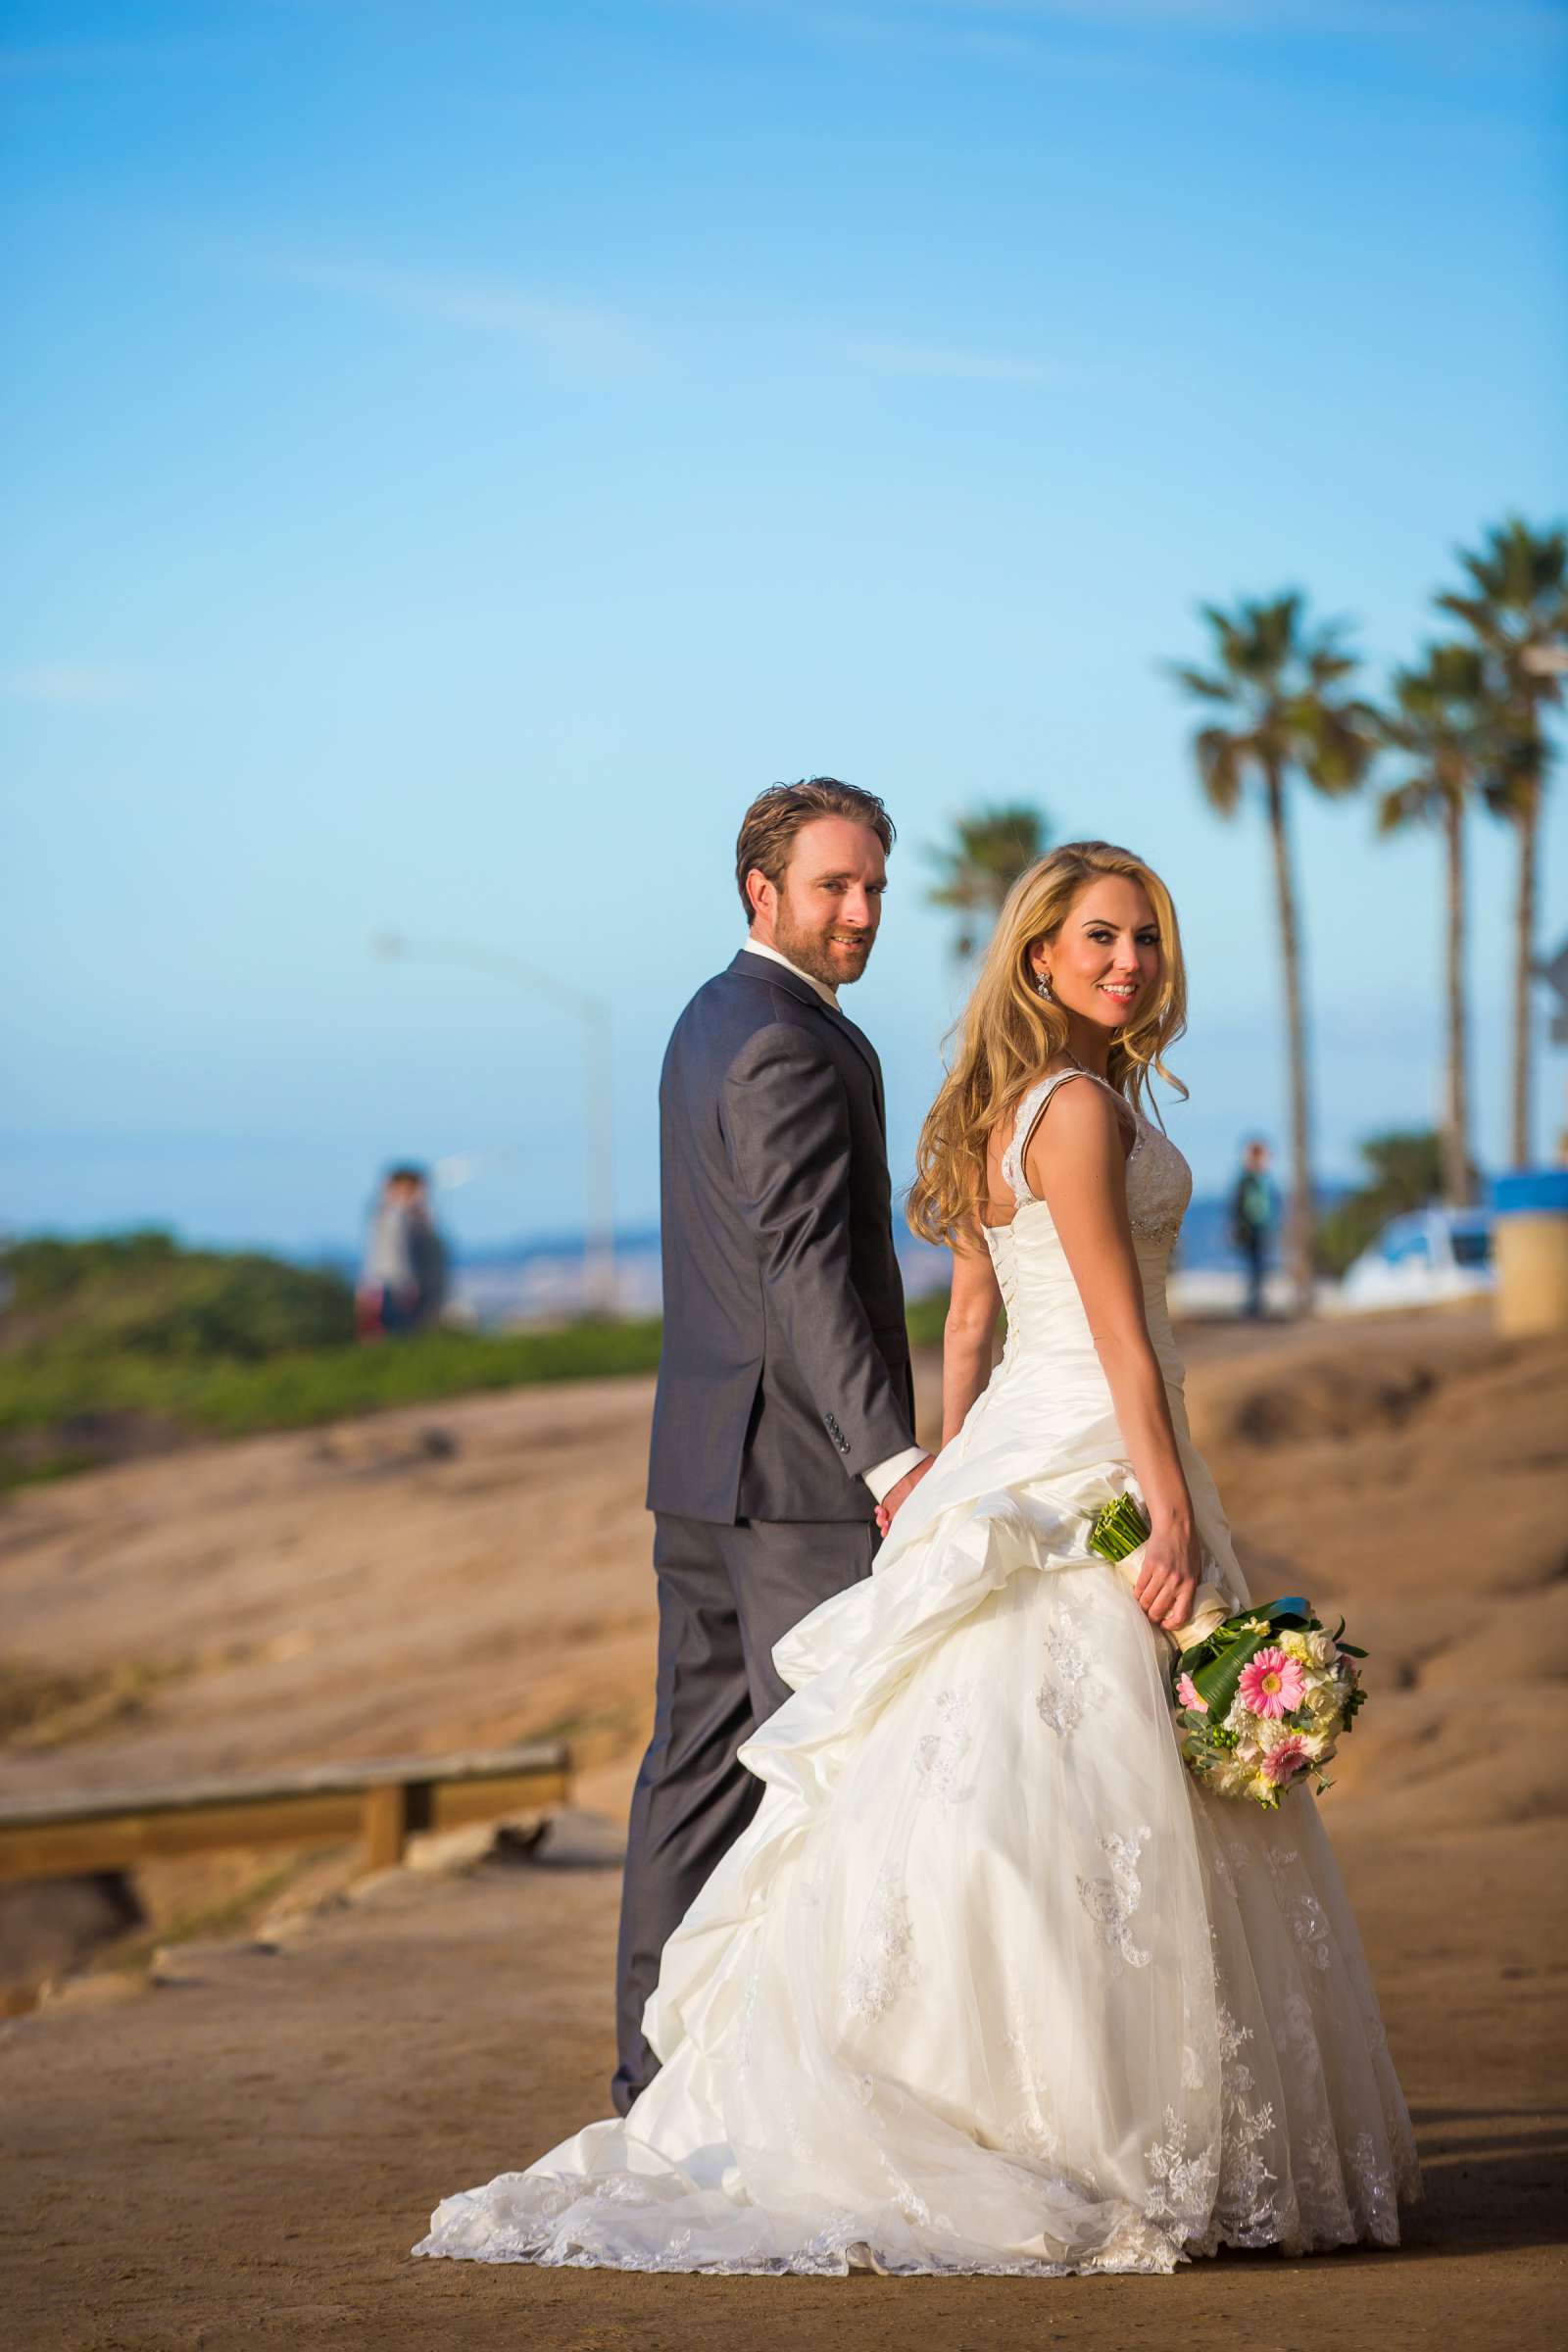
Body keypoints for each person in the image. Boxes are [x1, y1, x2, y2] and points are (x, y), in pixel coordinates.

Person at [416, 839, 1418, 2277]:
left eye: (1145, 939)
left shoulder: (1002, 1102)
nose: (1128, 961)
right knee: (1059, 1788)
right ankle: (1045, 2124)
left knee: (982, 1791)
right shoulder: (1068, 1107)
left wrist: (953, 1464)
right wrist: (1165, 1502)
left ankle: (929, 2089)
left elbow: (965, 1324)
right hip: (1097, 1449)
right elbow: (1115, 1329)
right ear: (1038, 957)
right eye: (1099, 939)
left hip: (1023, 1441)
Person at [358, 1165, 446, 1338]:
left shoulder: (389, 1215)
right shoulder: (393, 1217)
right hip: (393, 1287)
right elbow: (392, 1257)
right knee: (397, 1335)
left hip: (395, 1287)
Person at [1230, 1138, 1278, 1320]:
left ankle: (1255, 1304)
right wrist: (1240, 1227)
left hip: (1261, 1228)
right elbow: (1238, 1207)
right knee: (1255, 1267)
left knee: (1258, 1267)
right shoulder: (1247, 1180)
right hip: (1250, 1230)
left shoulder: (1260, 1180)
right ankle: (1253, 1305)